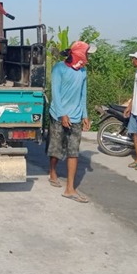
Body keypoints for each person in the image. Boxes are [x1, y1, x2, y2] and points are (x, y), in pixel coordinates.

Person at [47, 40, 97, 203]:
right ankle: (52, 171)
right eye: (87, 53)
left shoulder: (82, 72)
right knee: (56, 149)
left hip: (75, 117)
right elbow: (56, 94)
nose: (88, 57)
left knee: (73, 151)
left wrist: (85, 115)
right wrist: (62, 114)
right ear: (78, 54)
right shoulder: (59, 69)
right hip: (58, 115)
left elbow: (83, 95)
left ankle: (70, 189)